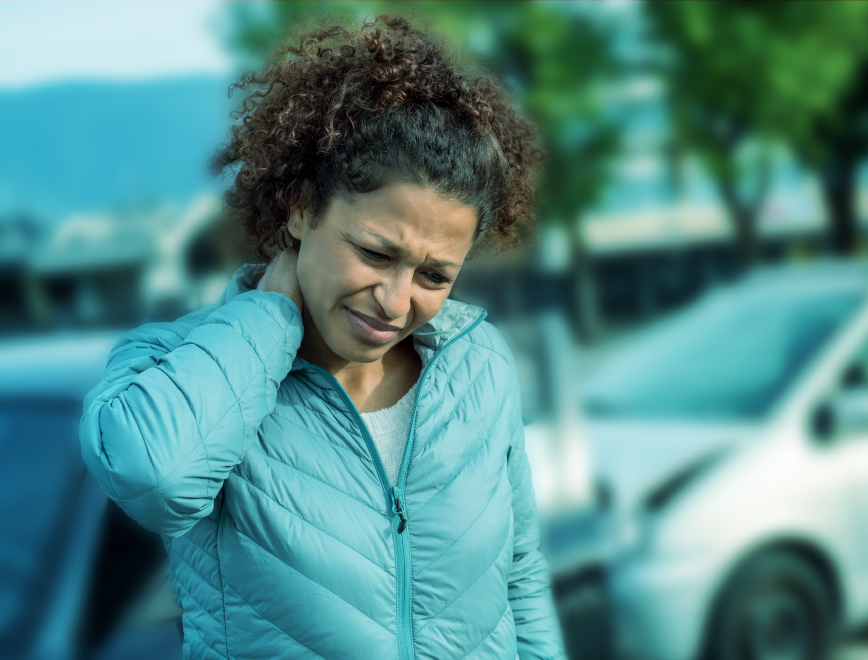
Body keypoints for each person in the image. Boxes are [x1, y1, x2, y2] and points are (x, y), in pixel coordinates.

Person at [78, 15, 565, 660]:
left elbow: (520, 578)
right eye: (373, 252)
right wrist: (270, 317)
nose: (396, 301)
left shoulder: (476, 362)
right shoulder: (174, 364)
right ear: (303, 208)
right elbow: (155, 481)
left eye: (434, 274)